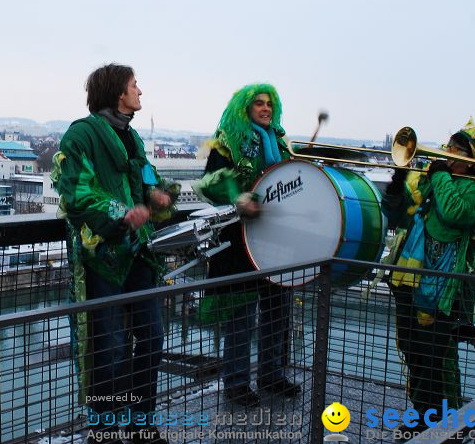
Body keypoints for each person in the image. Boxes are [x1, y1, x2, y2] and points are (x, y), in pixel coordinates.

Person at [52, 64, 178, 444]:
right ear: (117, 92)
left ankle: (141, 424)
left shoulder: (133, 137)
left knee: (152, 338)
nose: (141, 91)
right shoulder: (81, 135)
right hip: (101, 258)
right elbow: (75, 193)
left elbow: (148, 178)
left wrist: (158, 196)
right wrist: (120, 213)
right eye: (135, 85)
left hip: (139, 253)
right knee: (109, 347)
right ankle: (104, 431)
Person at [382, 118, 475, 437]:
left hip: (444, 287)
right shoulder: (431, 180)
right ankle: (423, 414)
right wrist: (398, 180)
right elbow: (396, 215)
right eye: (448, 147)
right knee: (412, 347)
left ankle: (450, 421)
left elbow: (454, 213)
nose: (447, 153)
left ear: (472, 158)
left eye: (455, 150)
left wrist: (442, 176)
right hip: (408, 277)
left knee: (438, 355)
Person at [192, 83, 300, 407]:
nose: (266, 109)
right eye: (259, 104)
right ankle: (236, 382)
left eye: (269, 104)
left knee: (277, 310)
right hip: (238, 240)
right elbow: (210, 181)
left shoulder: (280, 143)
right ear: (245, 109)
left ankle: (271, 375)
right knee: (240, 313)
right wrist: (236, 197)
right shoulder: (228, 141)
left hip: (274, 239)